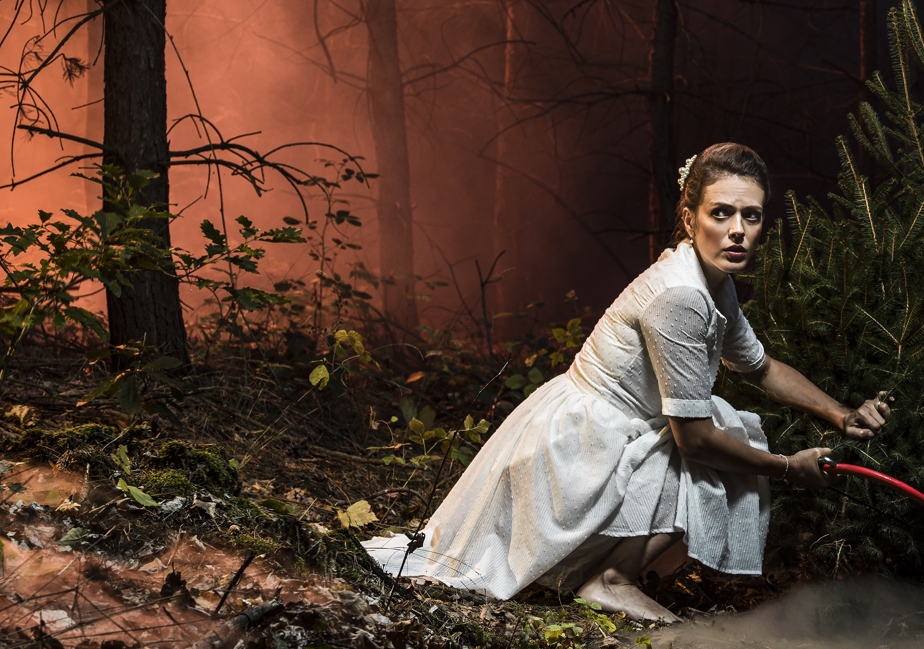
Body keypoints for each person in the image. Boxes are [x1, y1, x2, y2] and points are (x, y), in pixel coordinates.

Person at [361, 142, 889, 623]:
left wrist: (841, 413)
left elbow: (761, 367)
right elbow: (694, 439)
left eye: (751, 217)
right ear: (689, 217)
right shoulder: (681, 297)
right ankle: (612, 580)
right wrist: (786, 468)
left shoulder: (713, 278)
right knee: (716, 429)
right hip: (576, 450)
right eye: (721, 213)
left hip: (603, 436)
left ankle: (613, 571)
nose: (737, 231)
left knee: (716, 420)